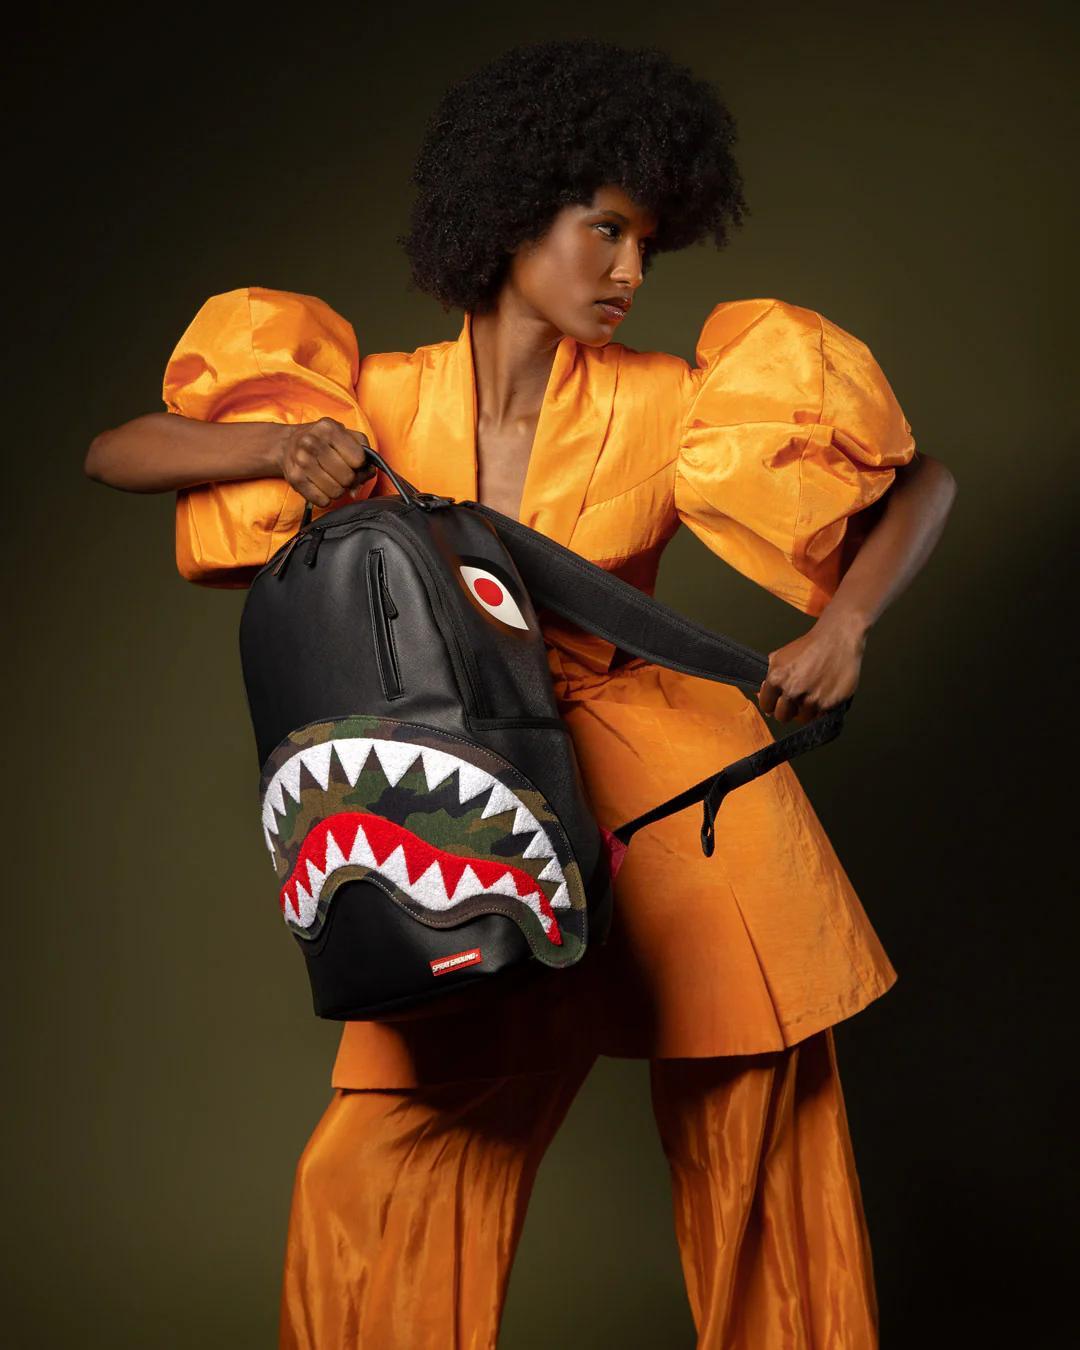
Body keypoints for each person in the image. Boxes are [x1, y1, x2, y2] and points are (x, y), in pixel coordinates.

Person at [85, 37, 957, 1350]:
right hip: (469, 799)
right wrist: (277, 441)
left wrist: (847, 623)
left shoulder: (675, 402)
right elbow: (117, 451)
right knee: (390, 1158)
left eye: (647, 242)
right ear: (510, 215)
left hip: (679, 802)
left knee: (764, 1137)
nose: (630, 271)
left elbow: (923, 483)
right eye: (604, 230)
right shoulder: (374, 398)